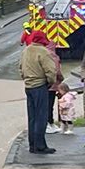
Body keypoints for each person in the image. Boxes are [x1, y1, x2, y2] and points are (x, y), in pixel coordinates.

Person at [20, 27, 62, 155]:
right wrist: (50, 82)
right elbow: (51, 71)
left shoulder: (26, 50)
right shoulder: (43, 52)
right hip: (40, 86)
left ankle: (32, 145)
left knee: (32, 117)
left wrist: (26, 79)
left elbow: (20, 68)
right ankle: (41, 146)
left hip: (29, 86)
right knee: (41, 117)